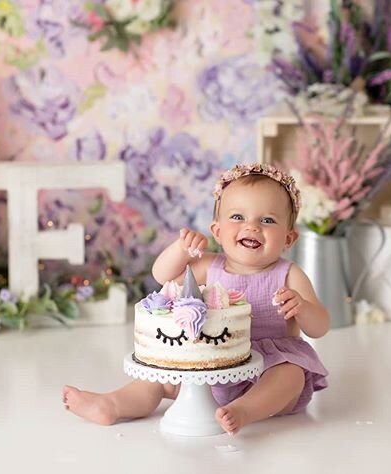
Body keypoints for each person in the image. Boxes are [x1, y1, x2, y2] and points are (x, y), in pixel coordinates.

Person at [62, 163, 329, 434]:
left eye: (267, 220)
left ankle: (245, 410)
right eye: (237, 217)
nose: (252, 227)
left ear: (289, 238)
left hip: (267, 371)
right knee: (159, 381)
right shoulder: (209, 266)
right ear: (217, 231)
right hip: (210, 369)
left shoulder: (289, 275)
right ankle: (113, 405)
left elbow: (319, 327)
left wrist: (302, 307)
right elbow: (162, 275)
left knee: (290, 374)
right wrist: (181, 249)